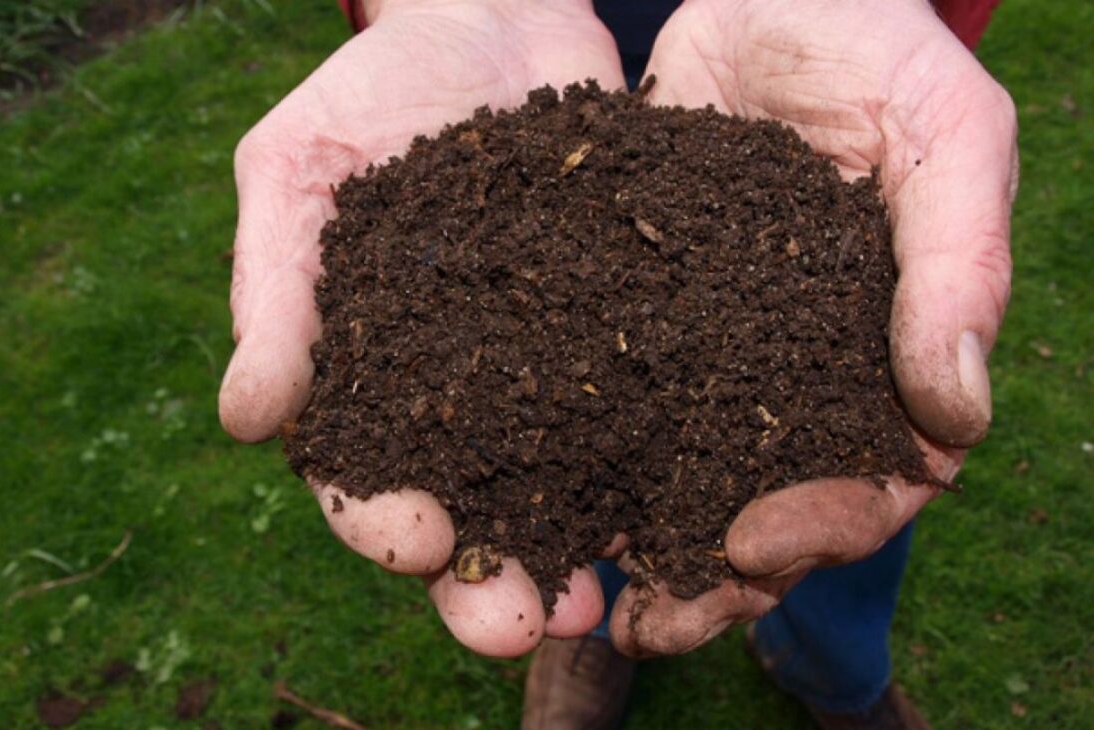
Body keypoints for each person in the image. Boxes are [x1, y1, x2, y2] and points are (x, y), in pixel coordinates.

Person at [219, 1, 1016, 727]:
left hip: (788, 41)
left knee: (839, 499)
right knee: (584, 549)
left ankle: (837, 676)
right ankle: (586, 623)